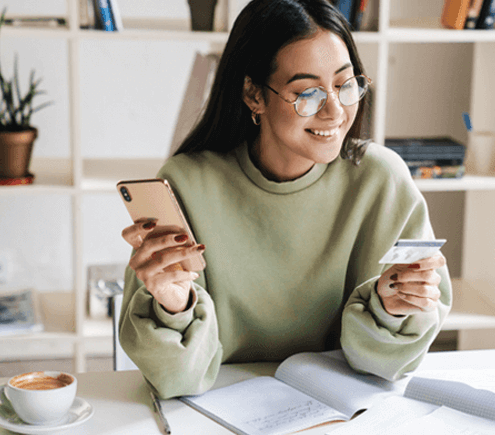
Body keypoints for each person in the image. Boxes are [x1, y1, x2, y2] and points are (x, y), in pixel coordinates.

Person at [119, 0, 452, 399]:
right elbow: (178, 380)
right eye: (307, 93)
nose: (335, 111)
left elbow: (387, 369)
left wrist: (393, 308)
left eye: (346, 85)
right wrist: (174, 306)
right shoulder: (186, 183)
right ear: (253, 94)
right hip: (218, 410)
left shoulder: (382, 180)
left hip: (343, 410)